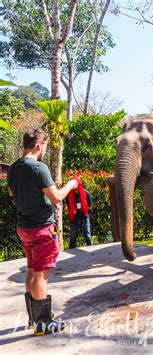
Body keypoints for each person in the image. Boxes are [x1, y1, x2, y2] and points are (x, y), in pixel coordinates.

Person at [7, 128, 78, 336]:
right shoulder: (39, 168)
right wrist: (70, 185)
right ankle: (43, 323)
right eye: (45, 146)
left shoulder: (13, 168)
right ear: (39, 144)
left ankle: (33, 319)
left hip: (24, 227)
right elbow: (56, 198)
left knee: (31, 269)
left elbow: (12, 193)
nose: (45, 150)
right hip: (41, 228)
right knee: (41, 274)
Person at [67, 180, 93, 248]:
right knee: (73, 237)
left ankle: (92, 251)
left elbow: (90, 204)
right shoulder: (69, 195)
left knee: (88, 236)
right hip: (74, 218)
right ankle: (70, 253)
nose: (74, 185)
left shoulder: (85, 193)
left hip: (84, 217)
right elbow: (68, 205)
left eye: (75, 184)